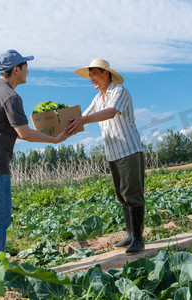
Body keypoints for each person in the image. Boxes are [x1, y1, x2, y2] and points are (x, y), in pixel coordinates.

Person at [0, 49, 69, 254]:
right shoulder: (10, 97)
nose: (28, 71)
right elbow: (24, 133)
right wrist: (55, 140)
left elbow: (18, 132)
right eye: (25, 66)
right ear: (15, 69)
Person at [67, 58, 145, 255]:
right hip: (113, 152)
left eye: (94, 73)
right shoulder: (97, 99)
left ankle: (138, 238)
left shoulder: (119, 91)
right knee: (121, 193)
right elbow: (83, 119)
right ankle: (129, 234)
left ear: (106, 73)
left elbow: (110, 113)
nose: (91, 78)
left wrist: (83, 119)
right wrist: (61, 131)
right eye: (90, 75)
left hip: (128, 149)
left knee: (132, 193)